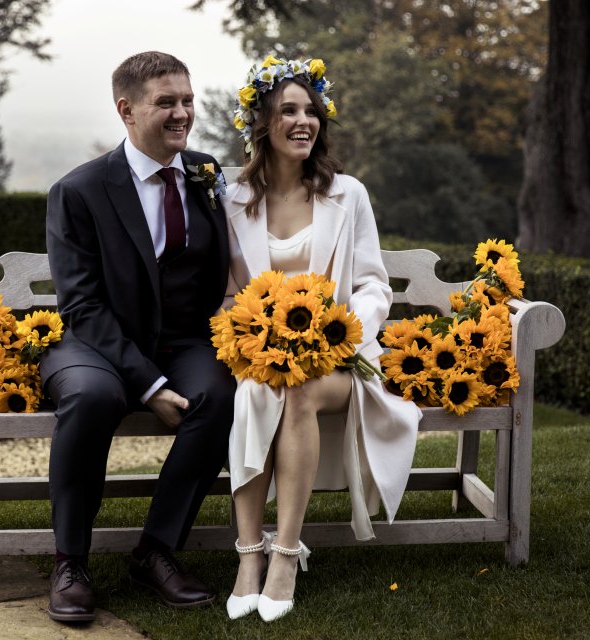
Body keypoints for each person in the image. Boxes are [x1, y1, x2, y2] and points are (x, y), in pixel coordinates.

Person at [220, 56, 422, 622]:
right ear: (261, 123)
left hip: (339, 358)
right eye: (288, 110)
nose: (303, 121)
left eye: (311, 111)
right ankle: (247, 555)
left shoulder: (347, 194)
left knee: (301, 389)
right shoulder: (231, 199)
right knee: (258, 392)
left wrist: (342, 337)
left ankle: (284, 554)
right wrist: (252, 340)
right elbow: (230, 292)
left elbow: (372, 284)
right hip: (260, 354)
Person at [40, 51, 235, 623]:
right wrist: (148, 385)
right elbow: (81, 305)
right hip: (93, 343)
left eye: (188, 101)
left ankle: (156, 551)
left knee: (224, 394)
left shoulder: (204, 173)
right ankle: (70, 561)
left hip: (181, 340)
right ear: (126, 110)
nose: (183, 113)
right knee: (93, 397)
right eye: (166, 102)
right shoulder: (78, 191)